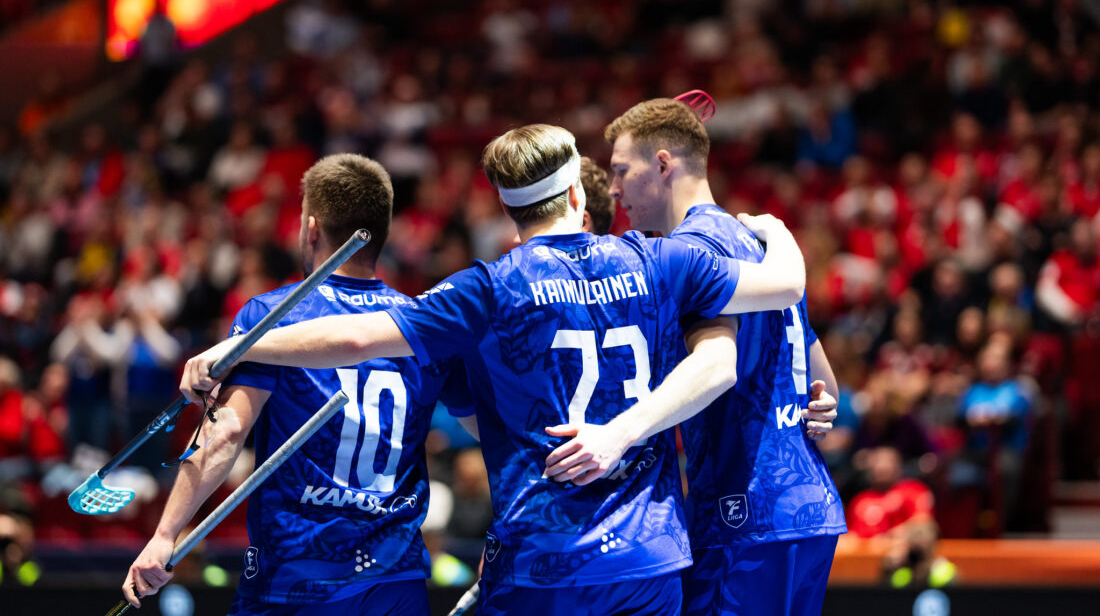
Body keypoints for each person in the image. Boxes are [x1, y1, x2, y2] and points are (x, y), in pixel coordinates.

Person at [179, 124, 809, 614]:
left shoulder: (487, 288)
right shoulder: (656, 257)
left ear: (510, 213)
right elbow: (784, 288)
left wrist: (242, 346)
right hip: (647, 563)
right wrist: (776, 229)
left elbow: (354, 336)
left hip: (540, 562)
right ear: (574, 194)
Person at [123, 154, 468, 614]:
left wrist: (165, 535)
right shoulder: (422, 325)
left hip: (293, 578)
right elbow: (489, 429)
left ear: (310, 228)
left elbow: (224, 433)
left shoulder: (271, 319)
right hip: (394, 581)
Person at [547, 98, 846, 616]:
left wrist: (617, 434)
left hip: (743, 513)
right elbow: (826, 385)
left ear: (663, 164)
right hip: (810, 509)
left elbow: (717, 365)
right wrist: (820, 405)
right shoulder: (756, 243)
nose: (613, 189)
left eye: (621, 170)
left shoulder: (690, 254)